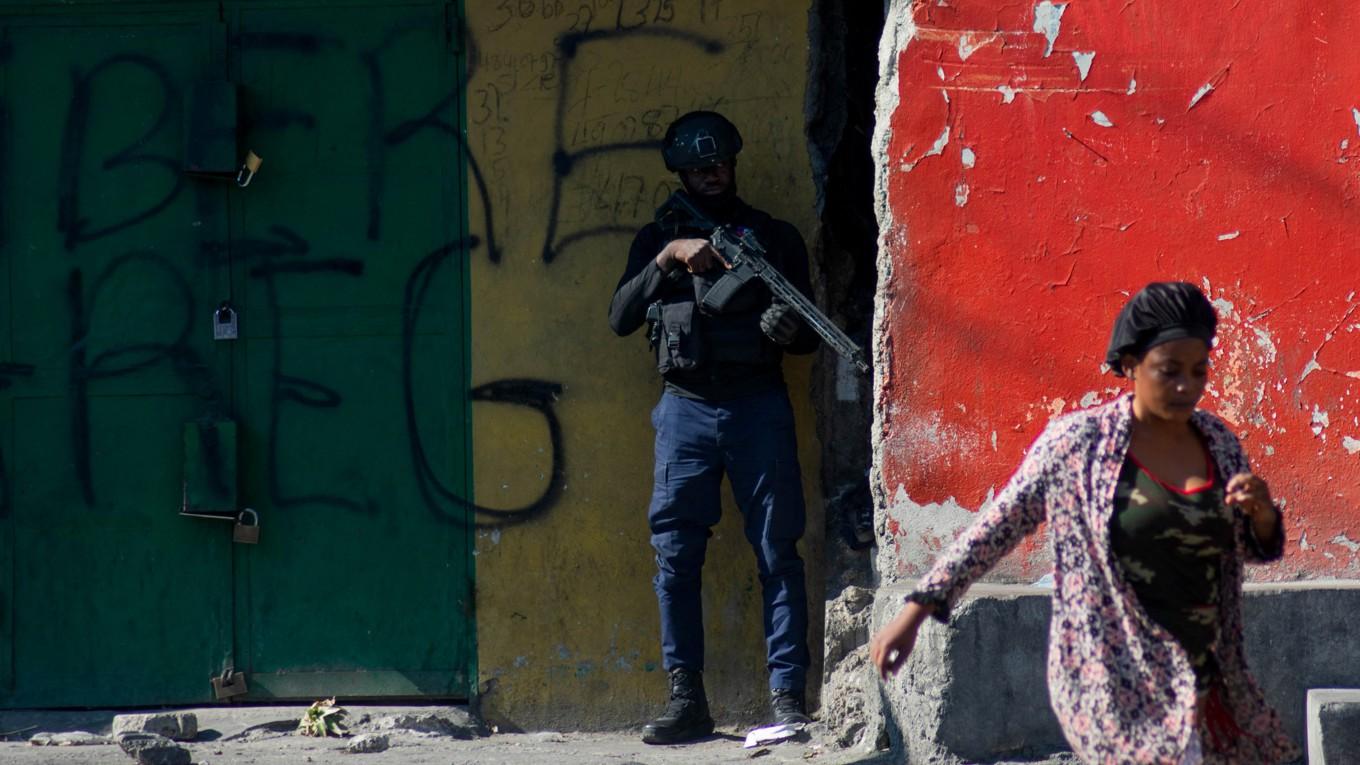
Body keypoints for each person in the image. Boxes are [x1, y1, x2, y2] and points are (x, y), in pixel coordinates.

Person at [869, 282, 1301, 764]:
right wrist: (917, 609)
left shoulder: (1218, 442)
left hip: (1204, 672)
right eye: (1169, 371)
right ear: (1132, 365)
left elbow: (1246, 546)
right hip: (1111, 673)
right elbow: (995, 528)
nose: (1187, 386)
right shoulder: (1078, 446)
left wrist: (1262, 515)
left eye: (1198, 371)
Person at [608, 110, 820, 745]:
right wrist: (671, 256)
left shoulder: (774, 238)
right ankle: (687, 699)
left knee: (778, 551)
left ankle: (787, 698)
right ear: (680, 172)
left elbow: (809, 337)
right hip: (685, 408)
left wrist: (789, 329)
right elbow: (620, 315)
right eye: (699, 167)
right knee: (675, 555)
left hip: (758, 403)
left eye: (720, 164)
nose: (711, 175)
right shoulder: (658, 238)